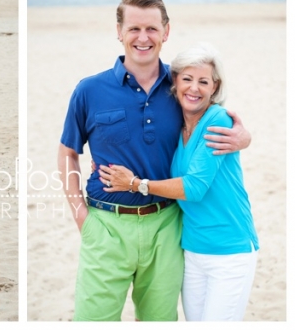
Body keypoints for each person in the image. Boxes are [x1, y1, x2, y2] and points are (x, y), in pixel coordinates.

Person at [57, 0, 251, 321]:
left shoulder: (180, 89)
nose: (143, 38)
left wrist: (245, 138)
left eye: (151, 29)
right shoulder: (89, 90)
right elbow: (67, 152)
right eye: (134, 29)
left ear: (166, 32)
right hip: (105, 226)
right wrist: (80, 215)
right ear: (119, 32)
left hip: (167, 226)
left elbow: (214, 121)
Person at [98, 43, 259, 321]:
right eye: (187, 79)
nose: (194, 88)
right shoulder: (177, 122)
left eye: (203, 81)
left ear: (214, 87)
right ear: (175, 82)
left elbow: (194, 188)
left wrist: (136, 184)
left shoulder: (217, 119)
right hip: (192, 250)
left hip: (229, 250)